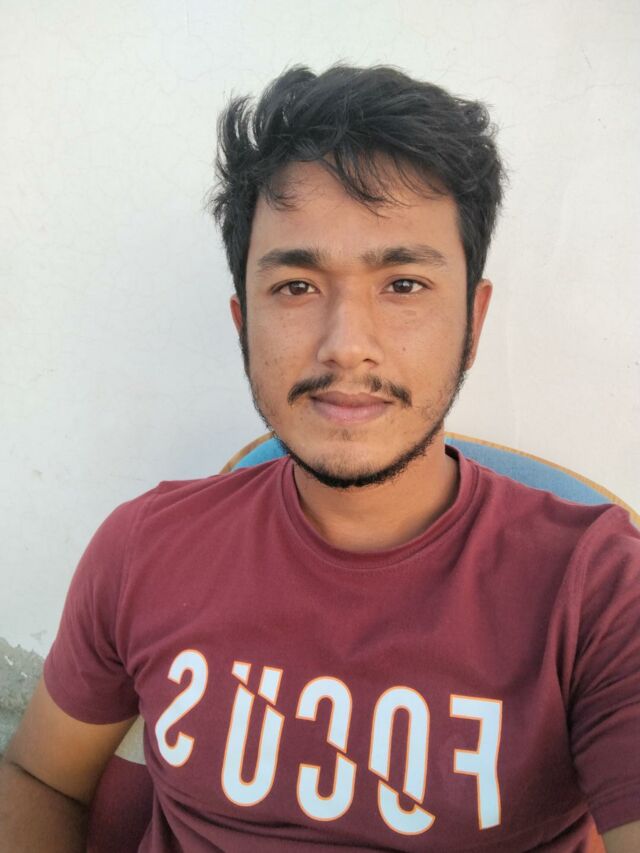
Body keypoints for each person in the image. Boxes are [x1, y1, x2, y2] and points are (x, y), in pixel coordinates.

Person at [0, 64, 638, 852]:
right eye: (297, 287)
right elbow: (40, 777)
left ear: (473, 322)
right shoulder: (143, 548)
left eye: (404, 284)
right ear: (243, 320)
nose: (346, 345)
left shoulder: (600, 592)